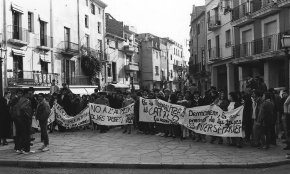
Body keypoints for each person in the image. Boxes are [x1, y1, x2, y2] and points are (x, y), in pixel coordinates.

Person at [11, 89, 34, 154]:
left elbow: (16, 107)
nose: (31, 95)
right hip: (24, 119)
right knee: (26, 134)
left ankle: (20, 148)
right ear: (26, 94)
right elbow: (23, 109)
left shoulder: (20, 99)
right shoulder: (26, 100)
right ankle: (26, 149)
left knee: (21, 134)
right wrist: (28, 116)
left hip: (18, 119)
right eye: (30, 94)